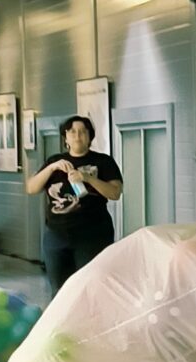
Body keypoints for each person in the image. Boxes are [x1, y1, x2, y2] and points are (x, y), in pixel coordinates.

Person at [26, 115, 123, 292]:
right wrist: (51, 168)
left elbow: (115, 192)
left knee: (89, 283)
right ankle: (62, 319)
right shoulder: (54, 161)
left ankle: (91, 319)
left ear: (90, 137)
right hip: (57, 232)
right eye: (72, 131)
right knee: (59, 286)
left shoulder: (103, 161)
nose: (77, 135)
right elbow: (32, 188)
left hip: (92, 234)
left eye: (83, 132)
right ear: (65, 137)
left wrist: (87, 178)